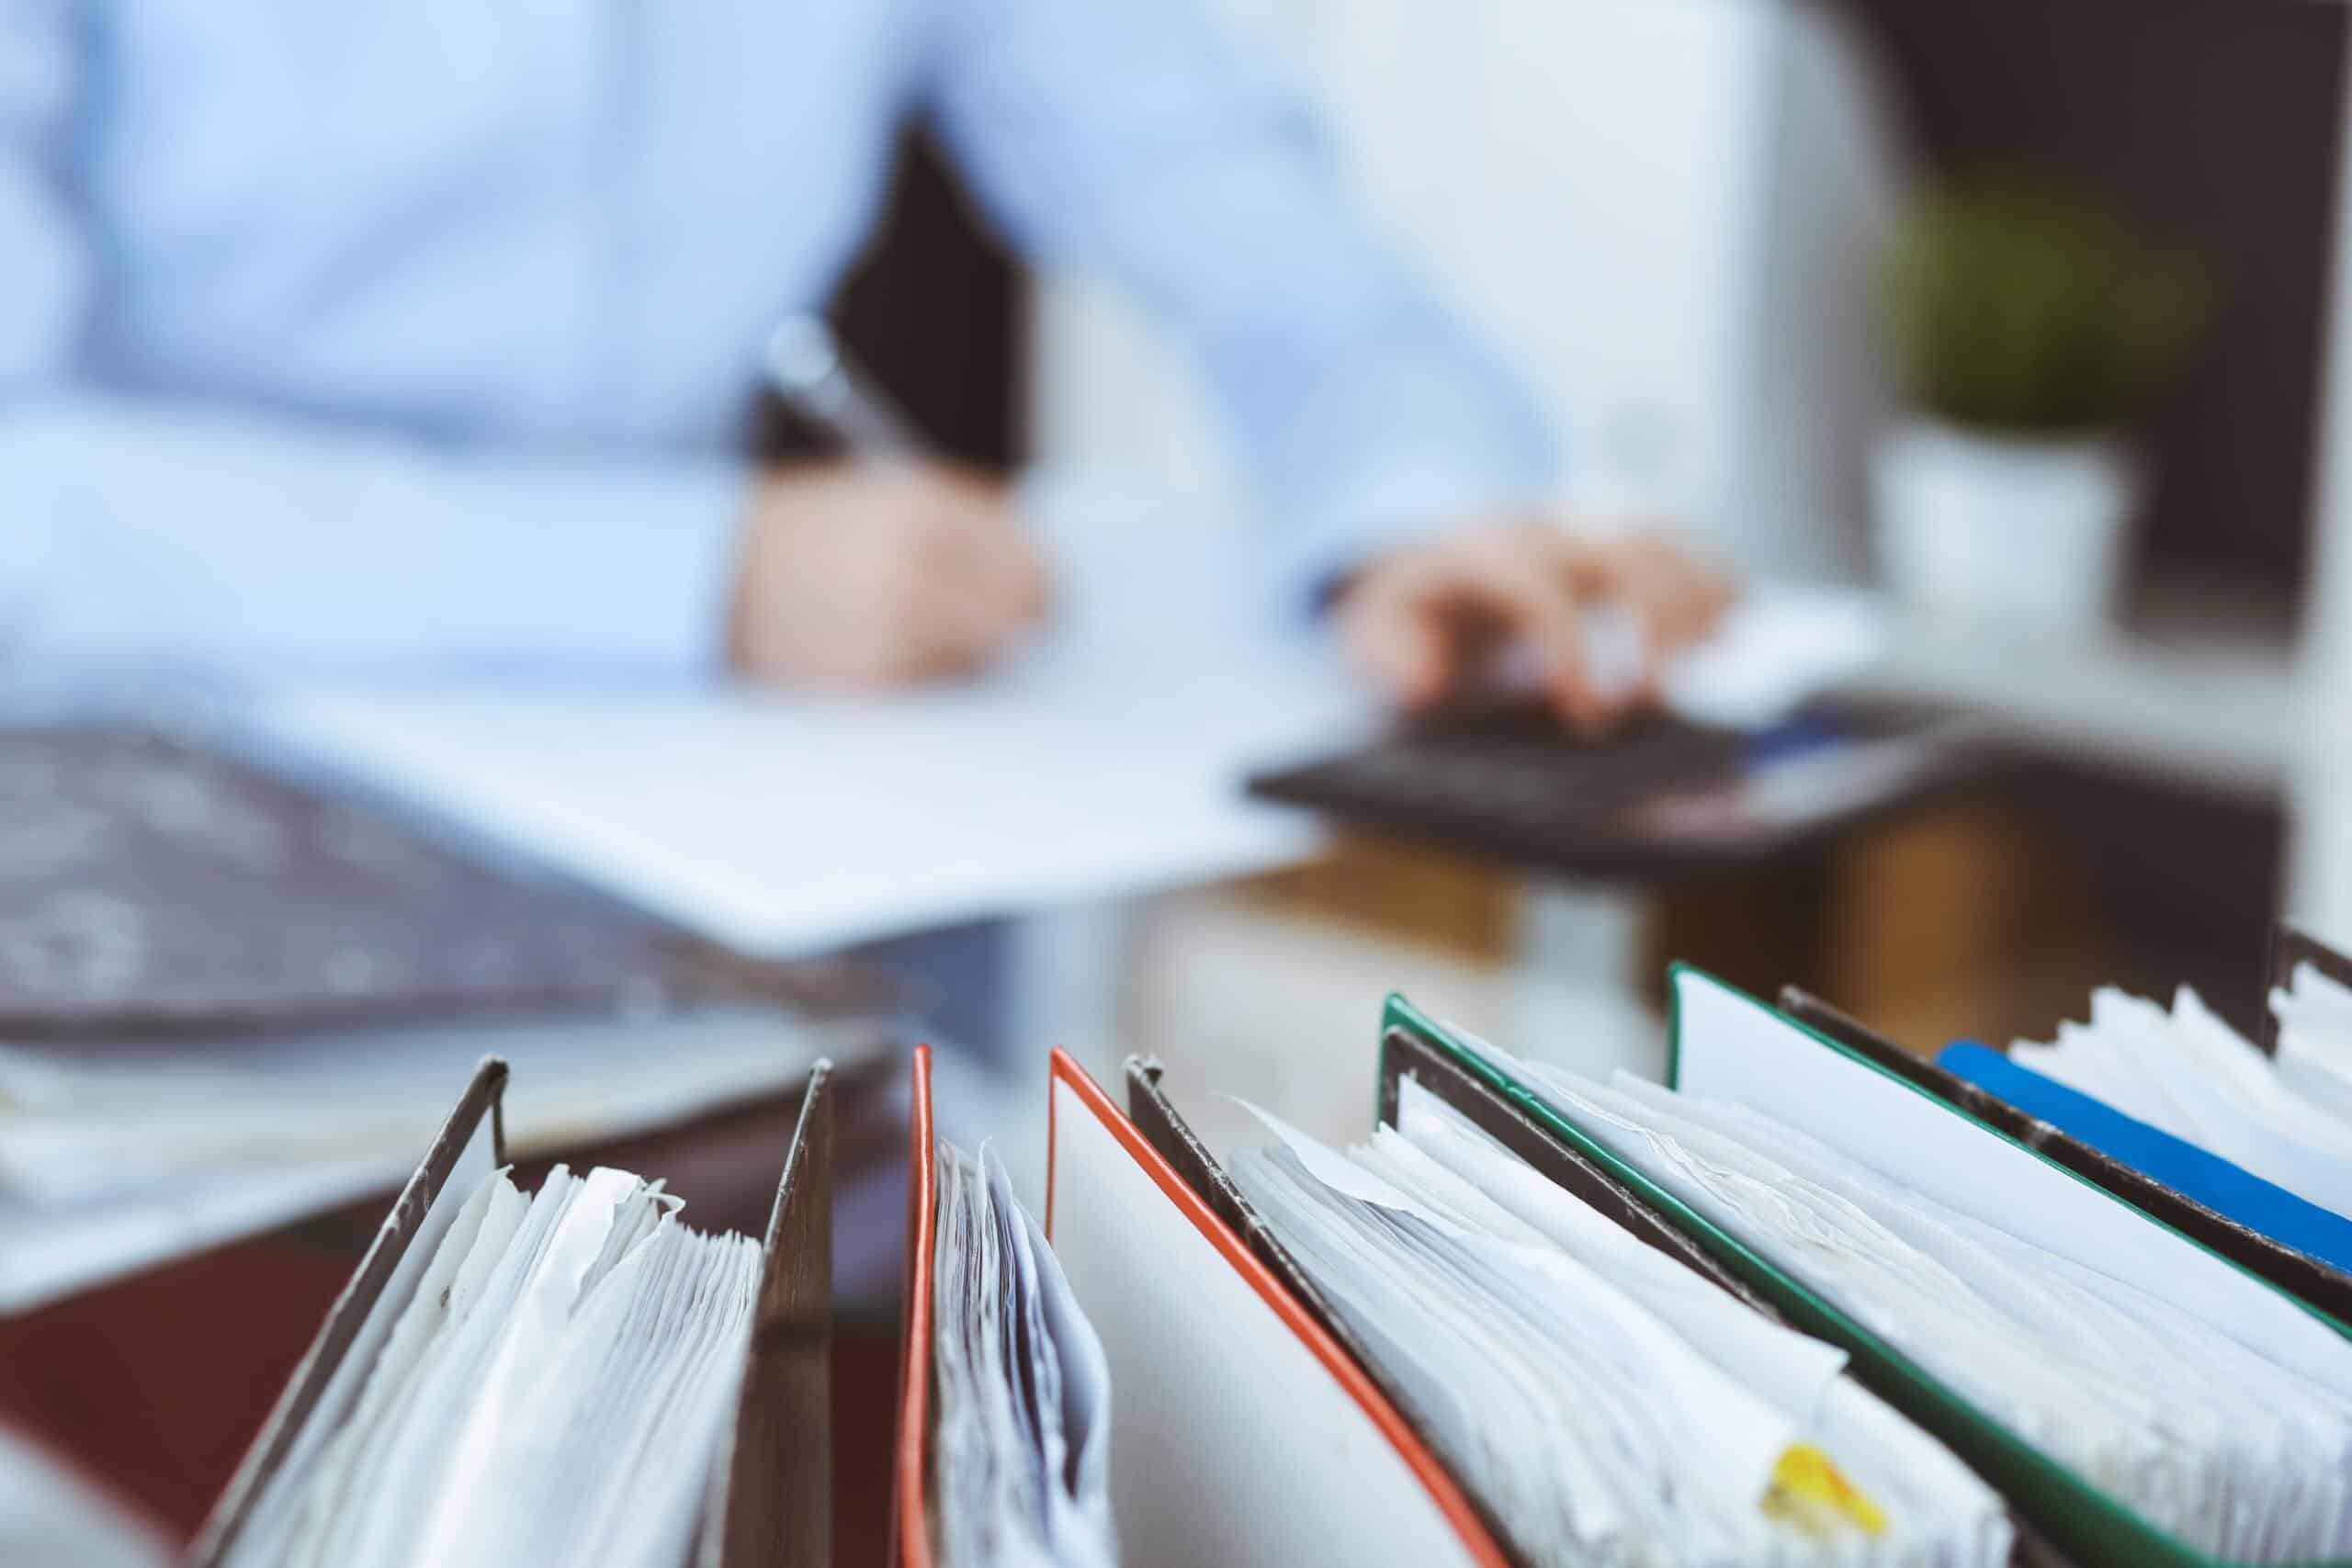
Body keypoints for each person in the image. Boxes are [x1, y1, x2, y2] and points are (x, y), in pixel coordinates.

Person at [0, 0, 1726, 718]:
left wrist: (1406, 512)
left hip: (689, 839)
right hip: (140, 818)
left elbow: (1253, 225)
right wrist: (700, 575)